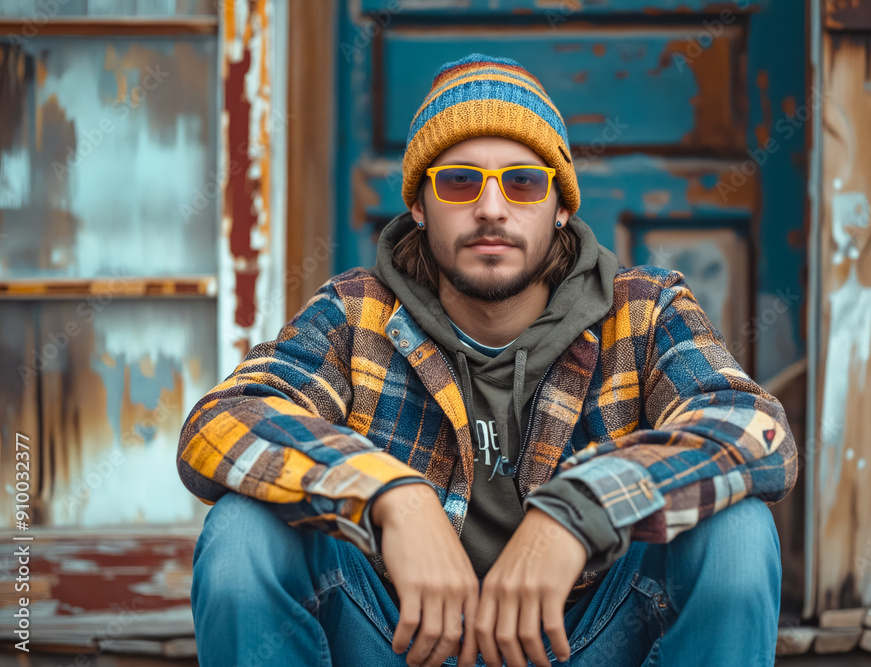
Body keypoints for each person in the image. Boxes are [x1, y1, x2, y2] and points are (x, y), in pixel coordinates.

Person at [177, 53, 798, 667]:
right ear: (419, 206)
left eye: (523, 182)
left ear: (560, 208)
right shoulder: (355, 313)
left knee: (736, 534)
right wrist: (393, 496)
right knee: (243, 534)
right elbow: (224, 424)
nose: (492, 209)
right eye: (459, 181)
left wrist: (579, 512)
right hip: (398, 642)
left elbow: (757, 433)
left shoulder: (644, 311)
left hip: (586, 640)